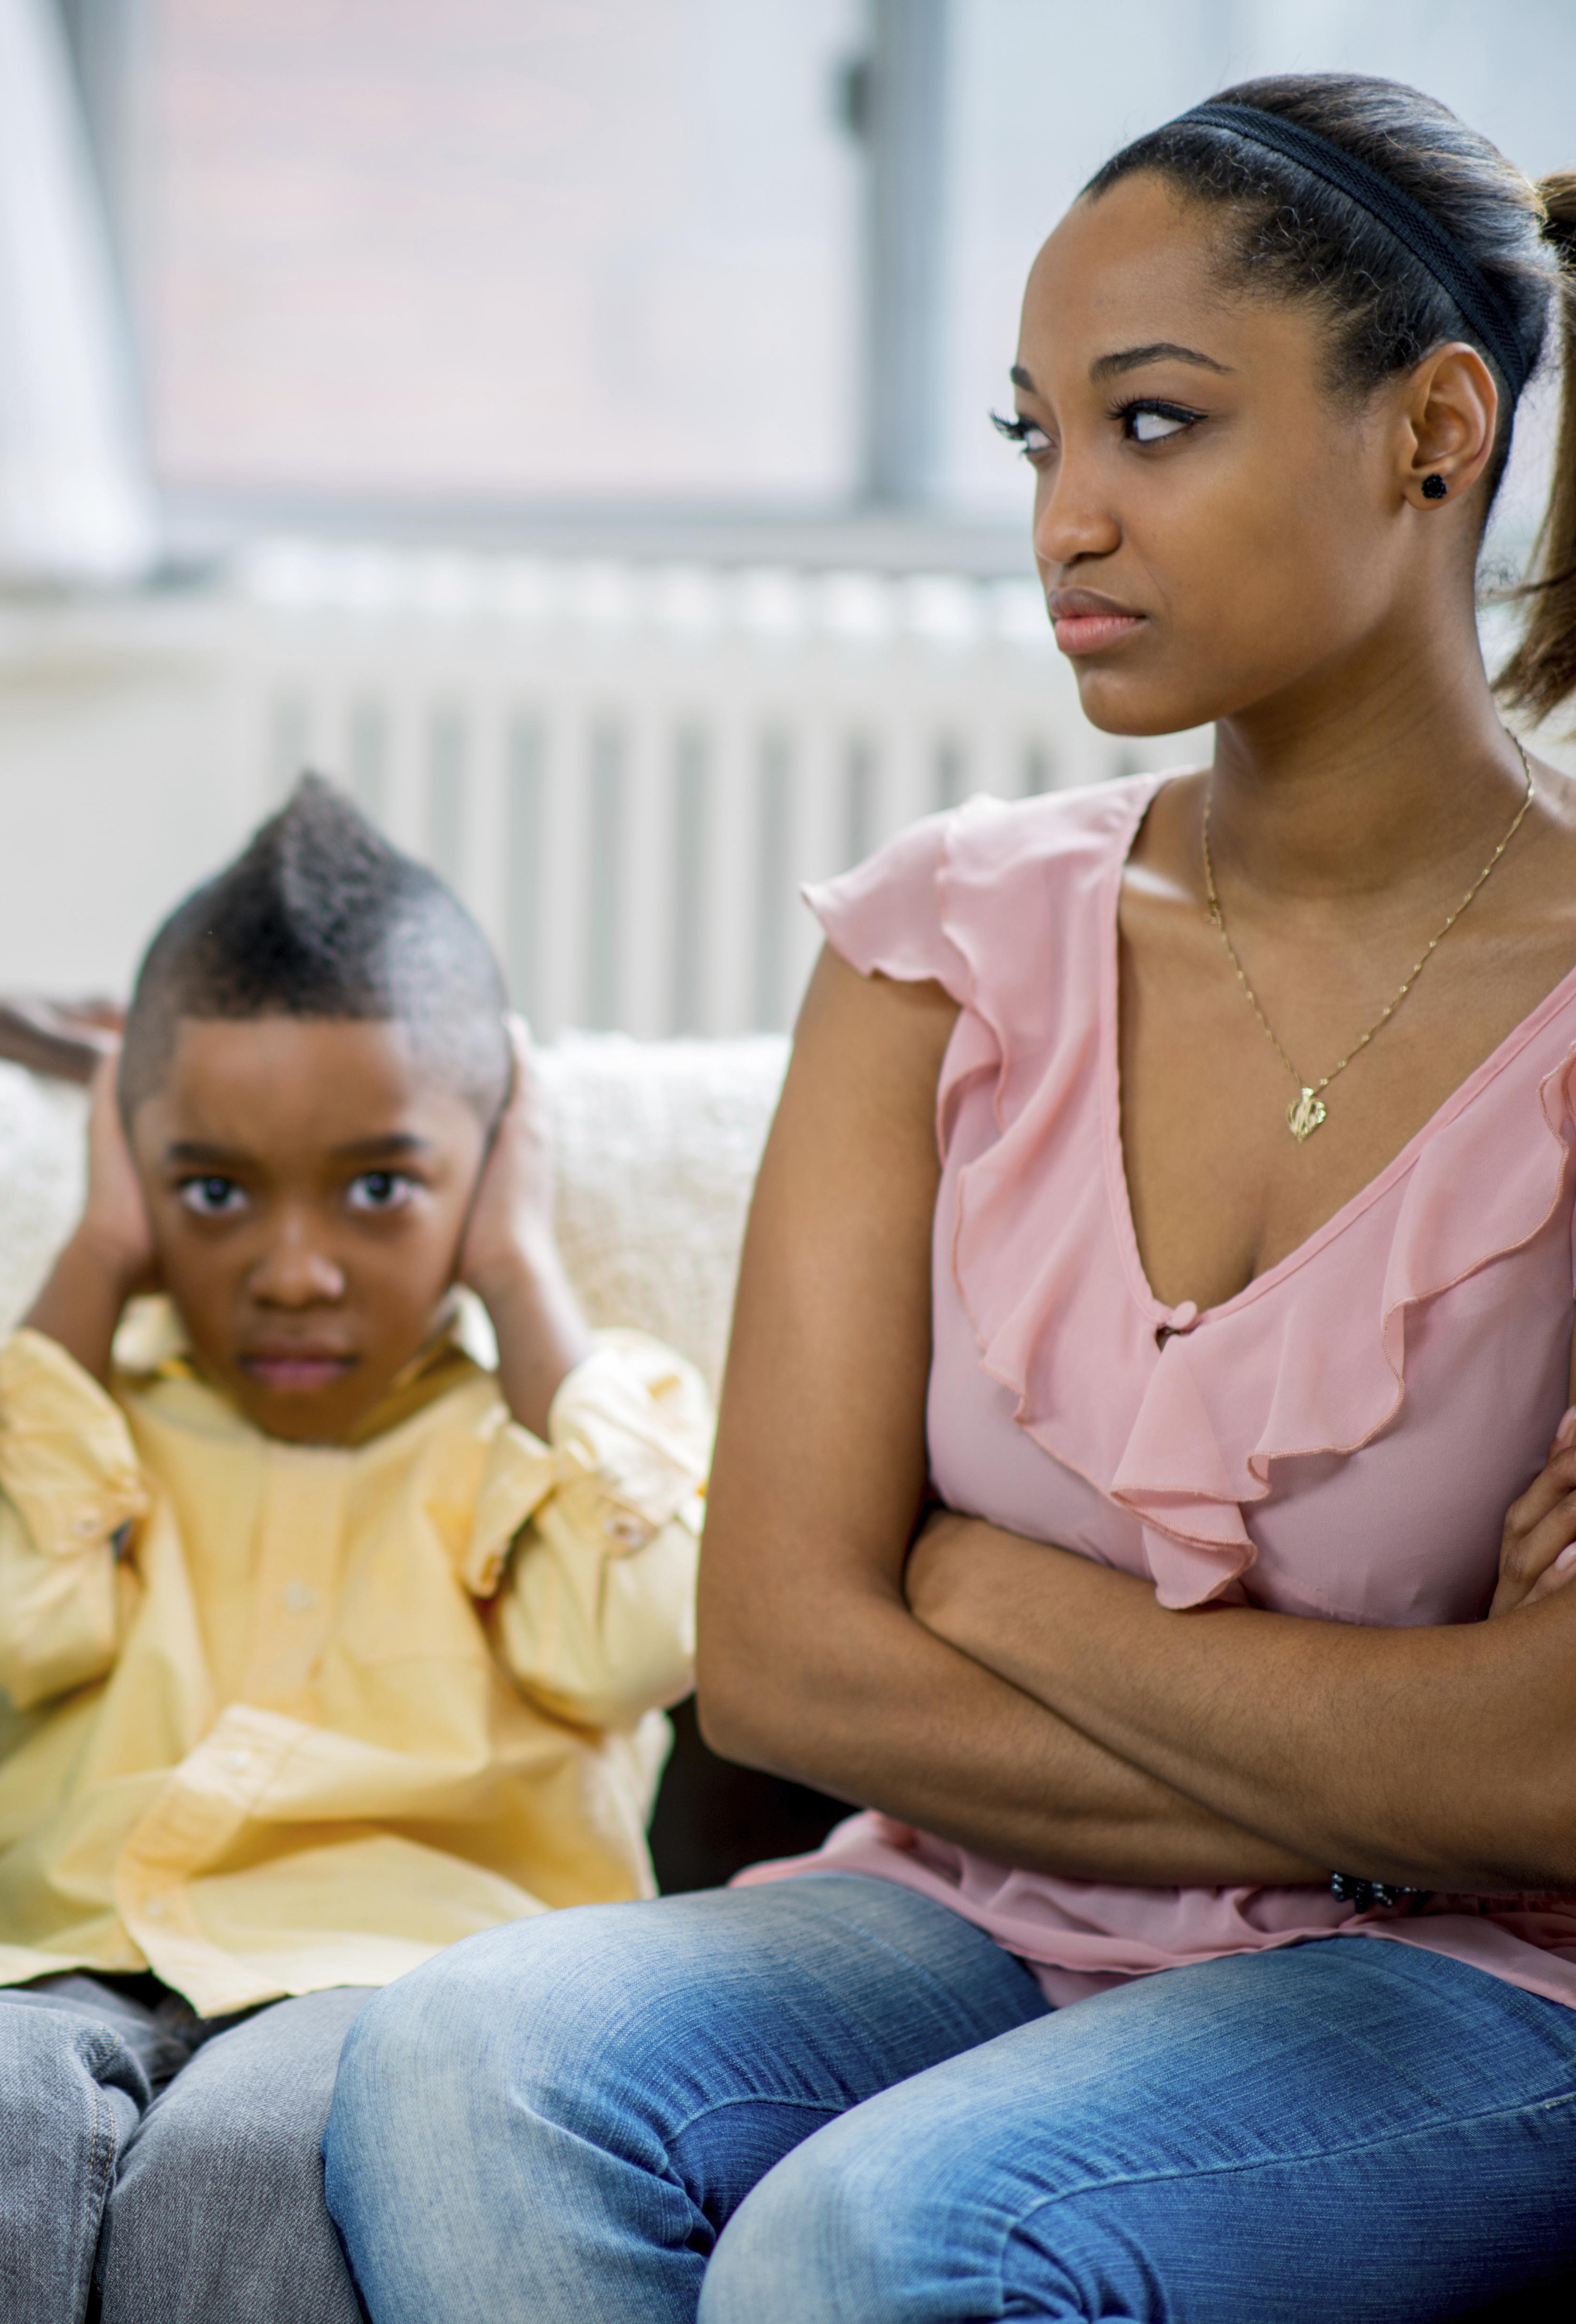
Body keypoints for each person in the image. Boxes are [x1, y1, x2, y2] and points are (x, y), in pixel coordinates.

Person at [322, 73, 1576, 2323]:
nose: (1066, 522)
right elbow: (784, 1661)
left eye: (1155, 427)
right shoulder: (936, 947)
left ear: (1434, 428)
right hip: (963, 1905)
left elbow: (1547, 1777)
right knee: (456, 2055)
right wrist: (1388, 1769)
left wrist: (990, 1588)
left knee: (888, 2230)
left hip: (1486, 1990)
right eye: (1036, 441)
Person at [0, 777, 714, 2324]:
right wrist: (95, 1256)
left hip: (394, 1986)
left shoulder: (561, 1430)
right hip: (47, 1962)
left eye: (382, 1189)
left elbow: (646, 1635)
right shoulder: (91, 1419)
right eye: (211, 1190)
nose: (291, 1270)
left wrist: (527, 1277)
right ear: (133, 1168)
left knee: (255, 2173)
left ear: (489, 1170)